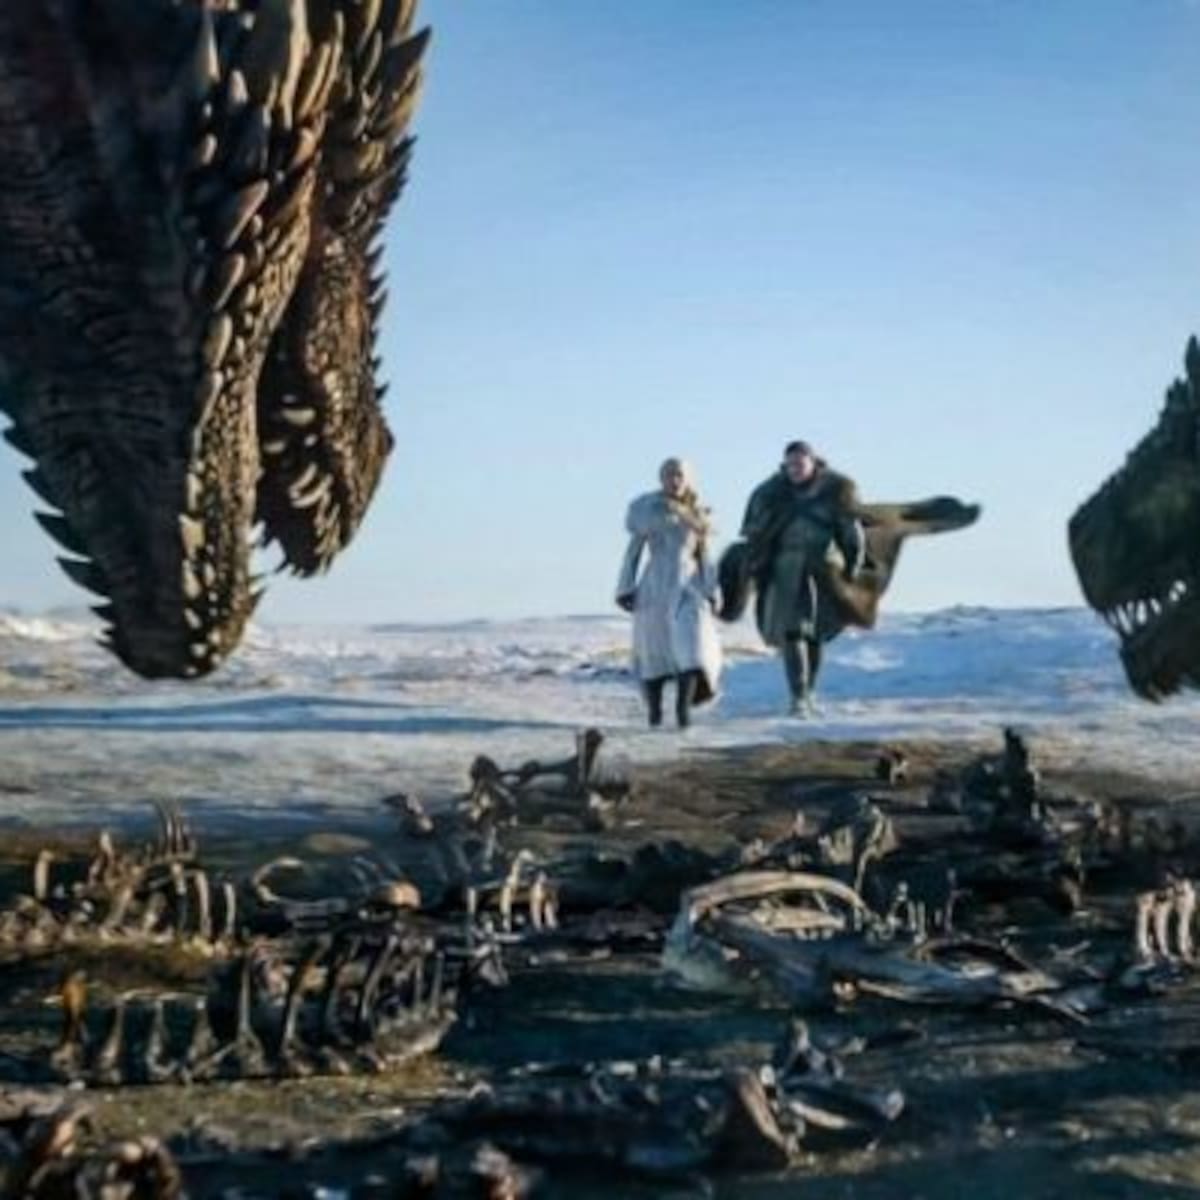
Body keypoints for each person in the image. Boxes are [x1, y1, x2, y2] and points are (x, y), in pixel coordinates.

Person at [740, 440, 865, 715]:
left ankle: (809, 693)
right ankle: (798, 697)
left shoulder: (834, 492)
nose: (795, 469)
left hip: (824, 568)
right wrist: (755, 564)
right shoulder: (770, 493)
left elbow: (851, 532)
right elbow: (754, 533)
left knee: (815, 634)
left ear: (812, 462)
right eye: (790, 464)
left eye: (800, 463)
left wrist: (852, 567)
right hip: (785, 569)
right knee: (793, 631)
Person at [616, 458, 722, 728]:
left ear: (687, 479)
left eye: (679, 475)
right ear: (661, 479)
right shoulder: (648, 511)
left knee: (692, 647)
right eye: (668, 475)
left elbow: (705, 556)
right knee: (655, 652)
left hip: (689, 586)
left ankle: (683, 712)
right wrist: (625, 587)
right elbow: (633, 552)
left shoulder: (697, 514)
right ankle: (654, 714)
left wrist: (712, 589)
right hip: (655, 587)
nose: (674, 480)